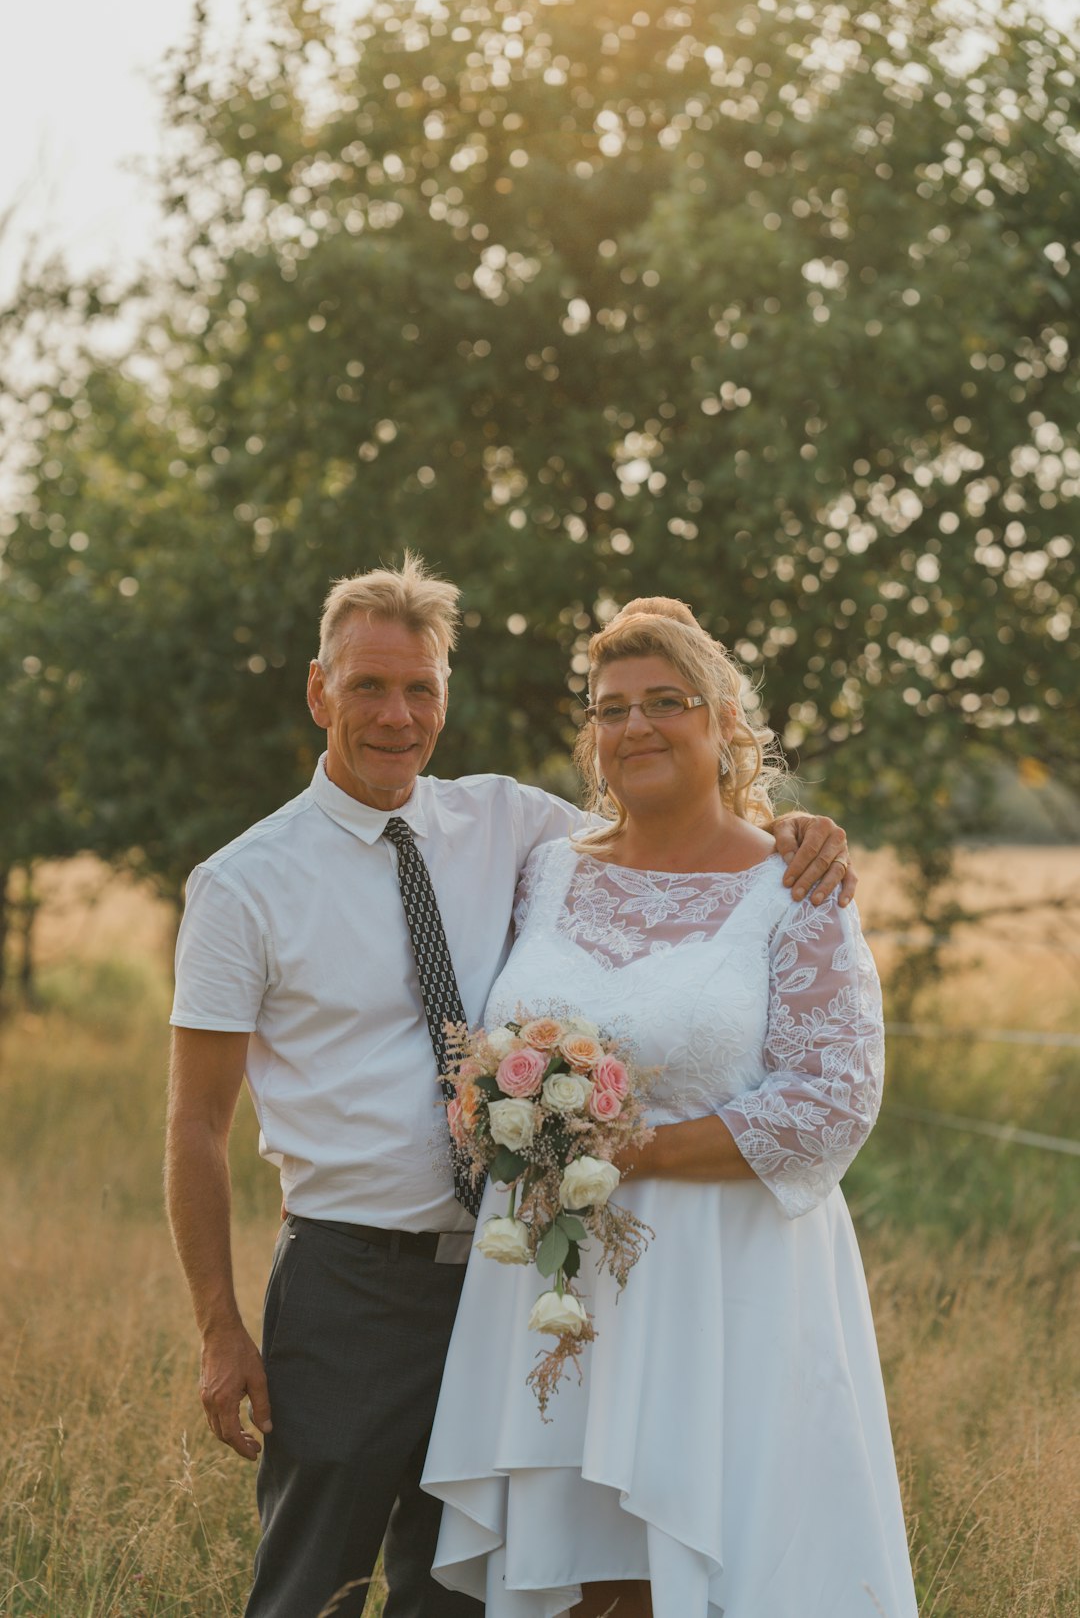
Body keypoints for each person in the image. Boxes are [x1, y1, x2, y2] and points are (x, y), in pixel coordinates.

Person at [165, 557, 857, 1618]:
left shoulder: (517, 833)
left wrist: (798, 834)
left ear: (447, 694)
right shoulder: (242, 884)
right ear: (319, 692)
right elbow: (196, 1127)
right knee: (311, 1590)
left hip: (524, 1283)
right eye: (367, 687)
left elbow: (664, 823)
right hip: (354, 1285)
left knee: (476, 1591)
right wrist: (220, 1333)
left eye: (422, 688)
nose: (398, 716)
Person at [422, 596, 917, 1618]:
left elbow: (833, 1098)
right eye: (611, 709)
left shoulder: (795, 882)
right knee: (583, 1571)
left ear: (725, 723)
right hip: (559, 1274)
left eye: (666, 702)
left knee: (711, 1554)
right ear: (592, 738)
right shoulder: (547, 873)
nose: (636, 725)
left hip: (724, 1279)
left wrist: (632, 1149)